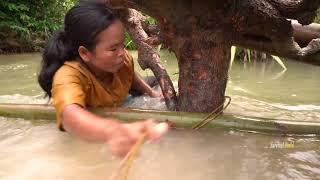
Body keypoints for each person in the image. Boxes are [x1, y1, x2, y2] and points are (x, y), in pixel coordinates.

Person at [38, 0, 168, 157]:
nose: (122, 53)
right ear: (85, 53)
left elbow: (130, 75)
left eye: (122, 45)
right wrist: (113, 131)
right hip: (102, 110)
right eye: (113, 48)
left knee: (154, 85)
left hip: (123, 95)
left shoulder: (123, 58)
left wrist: (151, 94)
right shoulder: (68, 75)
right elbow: (69, 116)